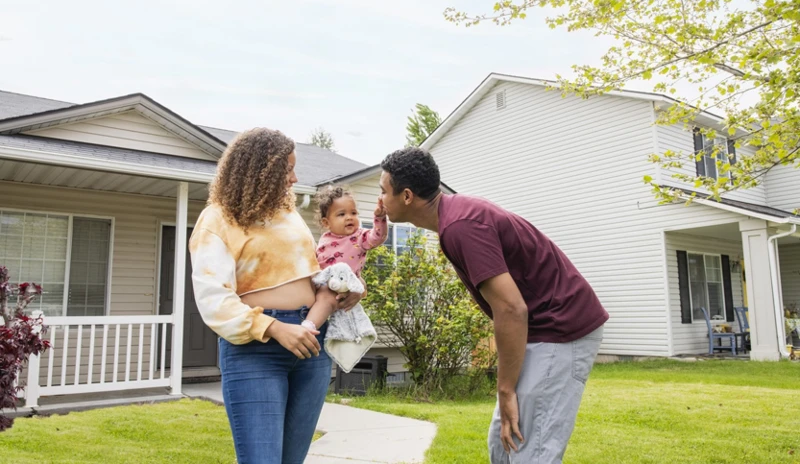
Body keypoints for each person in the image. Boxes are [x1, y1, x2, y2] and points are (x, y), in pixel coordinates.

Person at [378, 147, 609, 464]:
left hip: (561, 329)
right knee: (503, 447)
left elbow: (512, 309)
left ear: (406, 196)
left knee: (532, 450)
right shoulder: (454, 218)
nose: (379, 200)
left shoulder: (462, 226)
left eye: (382, 191)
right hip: (539, 330)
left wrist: (505, 390)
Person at [188, 128, 361, 464]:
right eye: (288, 170)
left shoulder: (289, 216)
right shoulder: (217, 220)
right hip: (256, 350)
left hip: (311, 343)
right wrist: (275, 328)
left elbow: (313, 271)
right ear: (259, 171)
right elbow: (213, 300)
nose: (295, 178)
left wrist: (339, 291)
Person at [300, 185, 388, 332]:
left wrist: (380, 218)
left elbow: (378, 237)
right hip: (322, 280)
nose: (349, 217)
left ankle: (309, 326)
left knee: (326, 300)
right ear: (326, 223)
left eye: (353, 213)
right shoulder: (324, 238)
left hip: (341, 284)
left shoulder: (360, 237)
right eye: (341, 214)